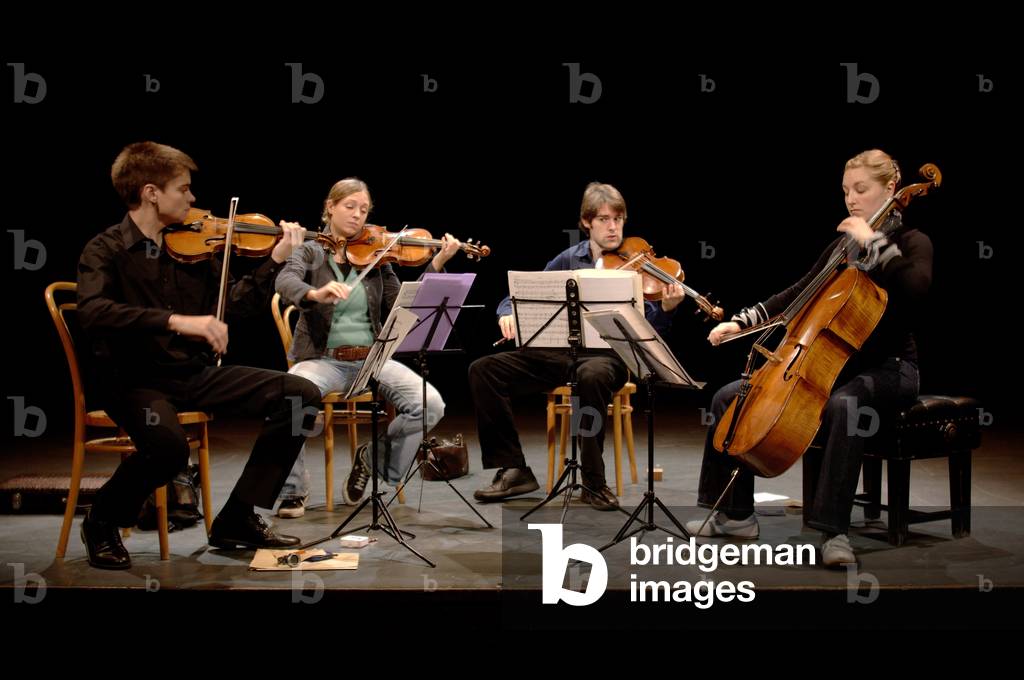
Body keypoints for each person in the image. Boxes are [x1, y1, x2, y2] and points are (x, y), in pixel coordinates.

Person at [77, 141, 321, 569]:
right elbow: (94, 312)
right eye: (184, 189)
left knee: (299, 395)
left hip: (193, 373)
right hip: (135, 381)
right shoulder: (106, 249)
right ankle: (101, 520)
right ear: (152, 192)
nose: (193, 200)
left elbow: (231, 308)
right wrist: (175, 320)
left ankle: (238, 517)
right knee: (170, 450)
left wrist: (275, 260)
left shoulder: (196, 245)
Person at [687, 149, 932, 566]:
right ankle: (734, 515)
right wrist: (744, 322)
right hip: (831, 364)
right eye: (845, 191)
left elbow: (916, 290)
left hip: (891, 368)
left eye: (861, 189)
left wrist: (874, 245)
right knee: (729, 396)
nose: (851, 199)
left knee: (845, 405)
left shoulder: (912, 242)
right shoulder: (842, 248)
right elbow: (796, 294)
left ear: (891, 189)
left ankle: (833, 532)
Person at [469, 182, 686, 510]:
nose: (613, 227)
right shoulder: (570, 258)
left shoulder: (637, 264)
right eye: (603, 219)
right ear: (586, 222)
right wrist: (507, 313)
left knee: (593, 375)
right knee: (483, 370)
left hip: (608, 357)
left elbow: (647, 329)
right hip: (559, 353)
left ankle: (593, 482)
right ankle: (514, 468)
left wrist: (666, 311)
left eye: (618, 219)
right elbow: (521, 295)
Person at [274, 178, 462, 517]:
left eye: (363, 210)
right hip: (322, 359)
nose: (358, 216)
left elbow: (405, 304)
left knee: (430, 404)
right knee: (290, 398)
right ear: (330, 207)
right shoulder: (310, 251)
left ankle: (372, 460)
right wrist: (315, 294)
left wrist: (435, 264)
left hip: (371, 360)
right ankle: (293, 490)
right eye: (350, 207)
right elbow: (285, 281)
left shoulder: (378, 260)